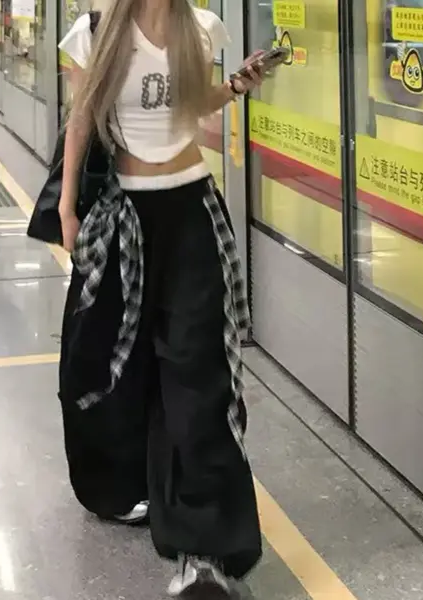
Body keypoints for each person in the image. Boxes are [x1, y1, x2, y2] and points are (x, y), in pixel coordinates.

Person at [57, 0, 264, 597]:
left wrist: (234, 88)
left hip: (193, 211)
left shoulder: (201, 28)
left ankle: (204, 550)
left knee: (197, 373)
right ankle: (121, 486)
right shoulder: (94, 33)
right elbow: (81, 120)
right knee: (100, 364)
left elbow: (189, 108)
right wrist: (67, 206)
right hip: (123, 216)